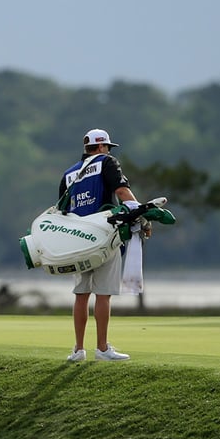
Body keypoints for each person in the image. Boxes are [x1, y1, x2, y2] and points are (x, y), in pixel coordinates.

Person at [58, 128, 146, 362]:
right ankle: (102, 348)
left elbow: (62, 211)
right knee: (103, 294)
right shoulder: (107, 162)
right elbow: (121, 190)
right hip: (105, 236)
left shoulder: (69, 174)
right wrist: (141, 213)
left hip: (78, 240)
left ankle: (78, 350)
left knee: (81, 294)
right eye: (106, 147)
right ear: (101, 147)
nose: (107, 150)